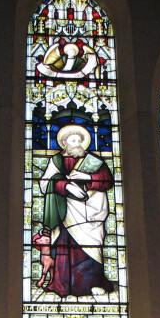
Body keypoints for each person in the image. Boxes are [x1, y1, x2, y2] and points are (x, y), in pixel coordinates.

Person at [37, 124, 114, 297]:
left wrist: (87, 177)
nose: (77, 143)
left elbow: (107, 181)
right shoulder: (56, 161)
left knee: (92, 247)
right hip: (66, 212)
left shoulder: (94, 160)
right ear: (64, 142)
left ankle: (93, 283)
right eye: (73, 140)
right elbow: (44, 184)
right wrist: (65, 186)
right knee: (66, 246)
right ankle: (63, 284)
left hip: (92, 212)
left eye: (80, 140)